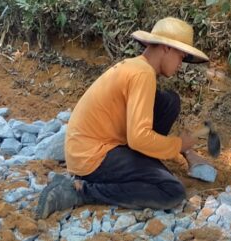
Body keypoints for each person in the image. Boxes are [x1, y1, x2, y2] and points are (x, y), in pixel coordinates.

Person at [35, 17, 210, 219]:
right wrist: (179, 145)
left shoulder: (137, 67)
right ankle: (79, 192)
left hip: (90, 147)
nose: (181, 63)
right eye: (181, 55)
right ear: (166, 48)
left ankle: (144, 162)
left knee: (169, 101)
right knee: (172, 191)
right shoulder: (142, 75)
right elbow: (138, 138)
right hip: (91, 157)